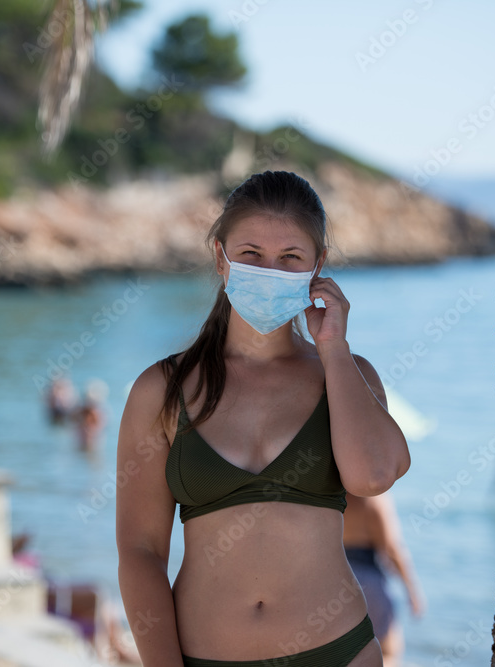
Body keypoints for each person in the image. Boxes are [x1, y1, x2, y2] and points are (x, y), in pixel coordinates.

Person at [115, 171, 411, 666]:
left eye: (289, 258)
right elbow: (141, 551)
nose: (269, 270)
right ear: (221, 258)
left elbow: (373, 477)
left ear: (316, 267)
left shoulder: (346, 375)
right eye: (251, 254)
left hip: (337, 652)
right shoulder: (162, 390)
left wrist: (333, 347)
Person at [342, 492, 425, 667]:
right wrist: (412, 590)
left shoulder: (330, 496)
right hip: (367, 581)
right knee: (388, 652)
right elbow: (392, 548)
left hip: (336, 580)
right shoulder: (373, 500)